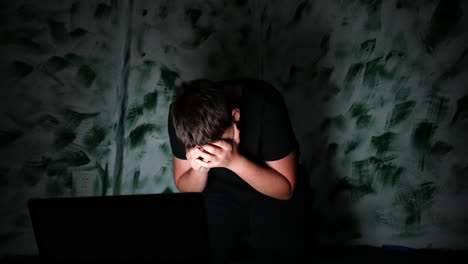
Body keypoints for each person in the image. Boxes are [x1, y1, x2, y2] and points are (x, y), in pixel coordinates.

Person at [167, 78, 315, 263]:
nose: (211, 153)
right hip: (218, 190)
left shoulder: (265, 103)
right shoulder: (182, 116)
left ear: (235, 116)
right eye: (203, 148)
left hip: (271, 183)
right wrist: (199, 170)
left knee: (283, 250)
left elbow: (285, 190)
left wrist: (234, 161)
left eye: (218, 143)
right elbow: (186, 187)